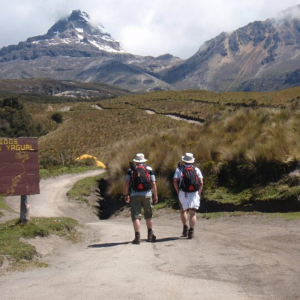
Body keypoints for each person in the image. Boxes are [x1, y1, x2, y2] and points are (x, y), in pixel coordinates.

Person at [124, 153, 158, 245]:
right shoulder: (149, 169)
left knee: (136, 216)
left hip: (135, 195)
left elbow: (127, 183)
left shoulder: (131, 170)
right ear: (144, 160)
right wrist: (155, 195)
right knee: (149, 215)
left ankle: (137, 237)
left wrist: (126, 194)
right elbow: (153, 183)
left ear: (136, 161)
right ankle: (150, 235)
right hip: (147, 194)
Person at [173, 153, 203, 239]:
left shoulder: (179, 169)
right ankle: (191, 231)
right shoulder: (196, 169)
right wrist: (199, 193)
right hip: (194, 193)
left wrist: (178, 191)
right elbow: (201, 182)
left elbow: (175, 180)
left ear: (184, 161)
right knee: (192, 213)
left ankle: (185, 227)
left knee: (183, 210)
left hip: (183, 193)